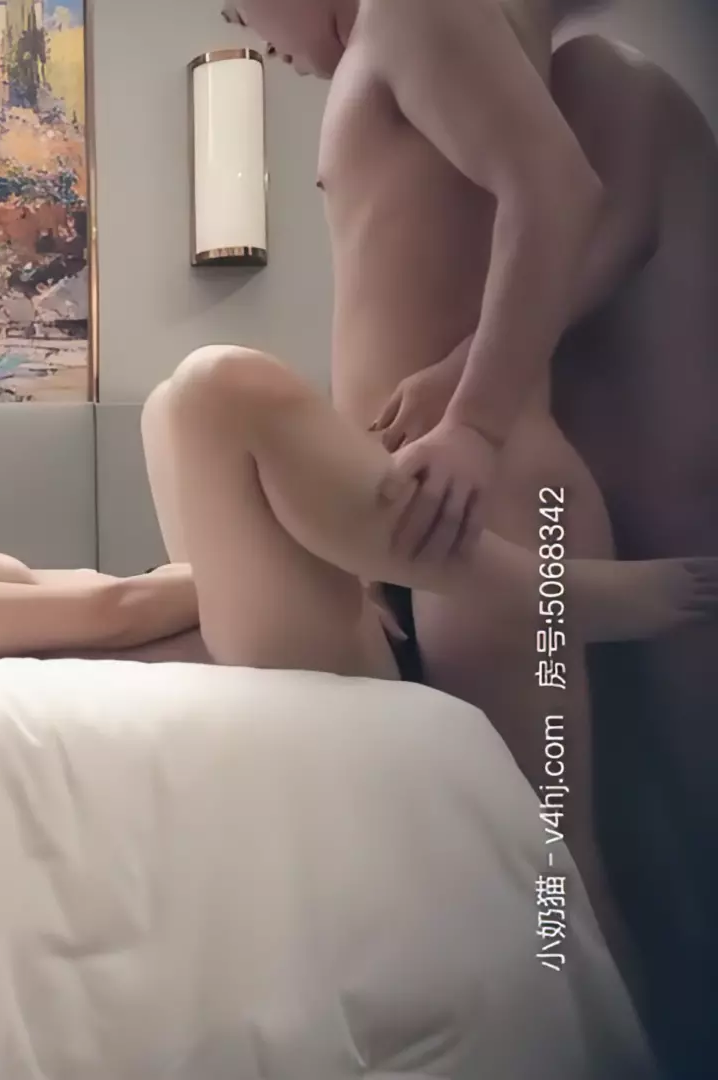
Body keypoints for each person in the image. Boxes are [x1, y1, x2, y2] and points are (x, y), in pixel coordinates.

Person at [214, 0, 636, 974]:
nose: (245, 27)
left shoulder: (412, 9)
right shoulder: (385, 40)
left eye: (237, 4)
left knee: (550, 869)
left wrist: (476, 425)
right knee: (499, 874)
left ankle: (626, 1045)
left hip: (499, 497)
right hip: (436, 516)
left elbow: (557, 190)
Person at [0, 348, 717, 680]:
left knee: (179, 403)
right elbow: (113, 614)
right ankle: (560, 597)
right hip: (234, 648)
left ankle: (510, 585)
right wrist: (302, 552)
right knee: (216, 389)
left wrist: (299, 542)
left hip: (226, 631)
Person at [376, 33, 718, 1075]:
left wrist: (459, 388)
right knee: (597, 843)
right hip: (580, 506)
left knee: (599, 848)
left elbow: (597, 228)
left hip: (608, 512)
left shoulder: (597, 80)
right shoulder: (510, 95)